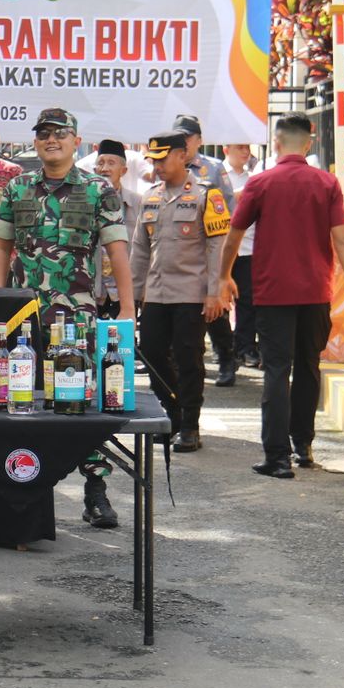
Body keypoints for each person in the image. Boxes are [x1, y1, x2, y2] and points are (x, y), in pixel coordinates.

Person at [0, 107, 134, 529]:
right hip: (24, 316)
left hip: (77, 319)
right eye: (44, 135)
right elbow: (0, 247)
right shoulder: (17, 188)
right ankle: (19, 488)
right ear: (35, 142)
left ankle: (95, 490)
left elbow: (117, 251)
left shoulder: (98, 190)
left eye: (60, 134)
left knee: (83, 403)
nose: (51, 140)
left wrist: (127, 309)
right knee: (18, 398)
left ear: (76, 141)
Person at [216, 114, 344, 479]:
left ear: (277, 144)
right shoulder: (327, 183)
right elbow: (342, 239)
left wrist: (223, 276)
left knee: (277, 371)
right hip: (315, 291)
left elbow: (234, 235)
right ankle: (304, 446)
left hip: (272, 291)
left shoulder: (260, 182)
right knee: (309, 367)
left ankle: (277, 457)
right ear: (309, 144)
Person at [131, 131, 231, 453]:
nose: (157, 166)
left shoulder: (207, 195)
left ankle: (190, 425)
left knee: (189, 359)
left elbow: (218, 247)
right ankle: (172, 414)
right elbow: (140, 250)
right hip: (157, 293)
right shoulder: (151, 196)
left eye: (162, 159)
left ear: (181, 155)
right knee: (152, 352)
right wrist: (132, 294)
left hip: (191, 293)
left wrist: (215, 292)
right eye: (153, 160)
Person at [174, 114, 239, 385]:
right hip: (178, 250)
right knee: (178, 311)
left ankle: (226, 359)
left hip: (208, 248)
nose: (184, 142)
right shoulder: (167, 163)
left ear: (199, 141)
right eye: (180, 136)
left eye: (188, 137)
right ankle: (181, 364)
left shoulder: (213, 169)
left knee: (215, 309)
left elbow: (231, 207)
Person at [222, 144, 262, 368]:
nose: (245, 152)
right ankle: (225, 348)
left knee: (247, 300)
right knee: (220, 300)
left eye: (247, 147)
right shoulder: (218, 175)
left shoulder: (254, 178)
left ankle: (245, 347)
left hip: (248, 247)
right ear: (226, 149)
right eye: (240, 148)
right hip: (223, 247)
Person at [93, 139, 139, 317]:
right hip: (94, 288)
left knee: (122, 342)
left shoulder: (137, 202)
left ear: (124, 170)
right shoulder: (86, 200)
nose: (105, 168)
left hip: (123, 289)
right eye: (101, 163)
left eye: (111, 163)